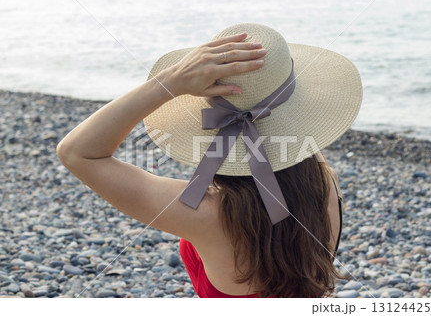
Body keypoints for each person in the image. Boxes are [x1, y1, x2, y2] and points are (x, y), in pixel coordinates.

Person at [57, 23, 362, 298]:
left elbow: (77, 152)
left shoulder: (206, 214)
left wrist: (169, 82)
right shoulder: (325, 181)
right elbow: (295, 144)